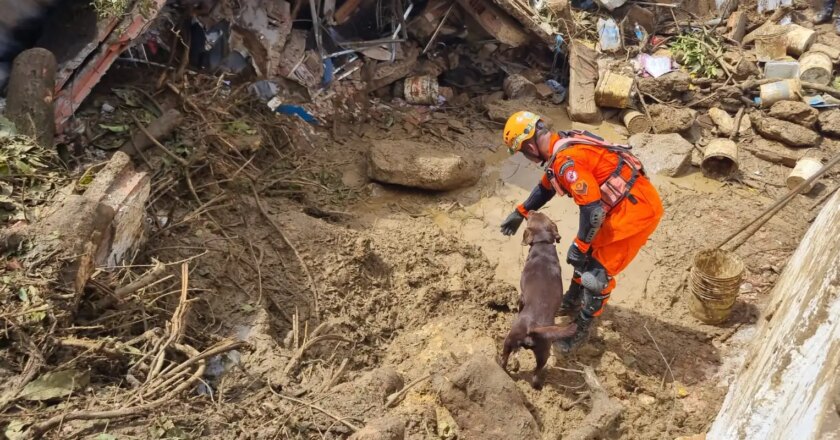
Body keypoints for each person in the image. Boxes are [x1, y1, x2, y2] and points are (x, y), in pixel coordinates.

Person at [499, 111, 664, 352]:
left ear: (530, 147)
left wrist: (580, 245)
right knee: (583, 257)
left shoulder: (567, 161)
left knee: (596, 276)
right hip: (617, 206)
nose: (527, 158)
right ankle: (573, 299)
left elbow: (593, 212)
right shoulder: (563, 145)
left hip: (635, 213)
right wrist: (521, 211)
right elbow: (546, 187)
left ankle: (580, 331)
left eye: (523, 152)